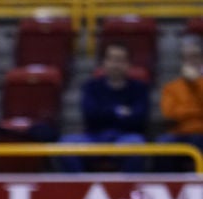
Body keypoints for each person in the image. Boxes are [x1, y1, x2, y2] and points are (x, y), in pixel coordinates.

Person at [60, 42, 150, 172]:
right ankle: (80, 188)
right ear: (104, 63)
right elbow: (90, 115)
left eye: (120, 60)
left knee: (137, 143)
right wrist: (120, 111)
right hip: (94, 138)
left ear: (129, 64)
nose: (116, 65)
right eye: (112, 59)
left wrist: (105, 112)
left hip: (125, 138)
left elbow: (139, 118)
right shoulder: (91, 87)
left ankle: (126, 189)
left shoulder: (139, 88)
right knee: (65, 144)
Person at [158, 34, 203, 170]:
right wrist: (195, 112)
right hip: (178, 133)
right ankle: (167, 187)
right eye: (187, 57)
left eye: (194, 56)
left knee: (198, 140)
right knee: (163, 143)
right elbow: (170, 114)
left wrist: (196, 83)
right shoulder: (171, 87)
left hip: (201, 134)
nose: (191, 61)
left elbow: (178, 112)